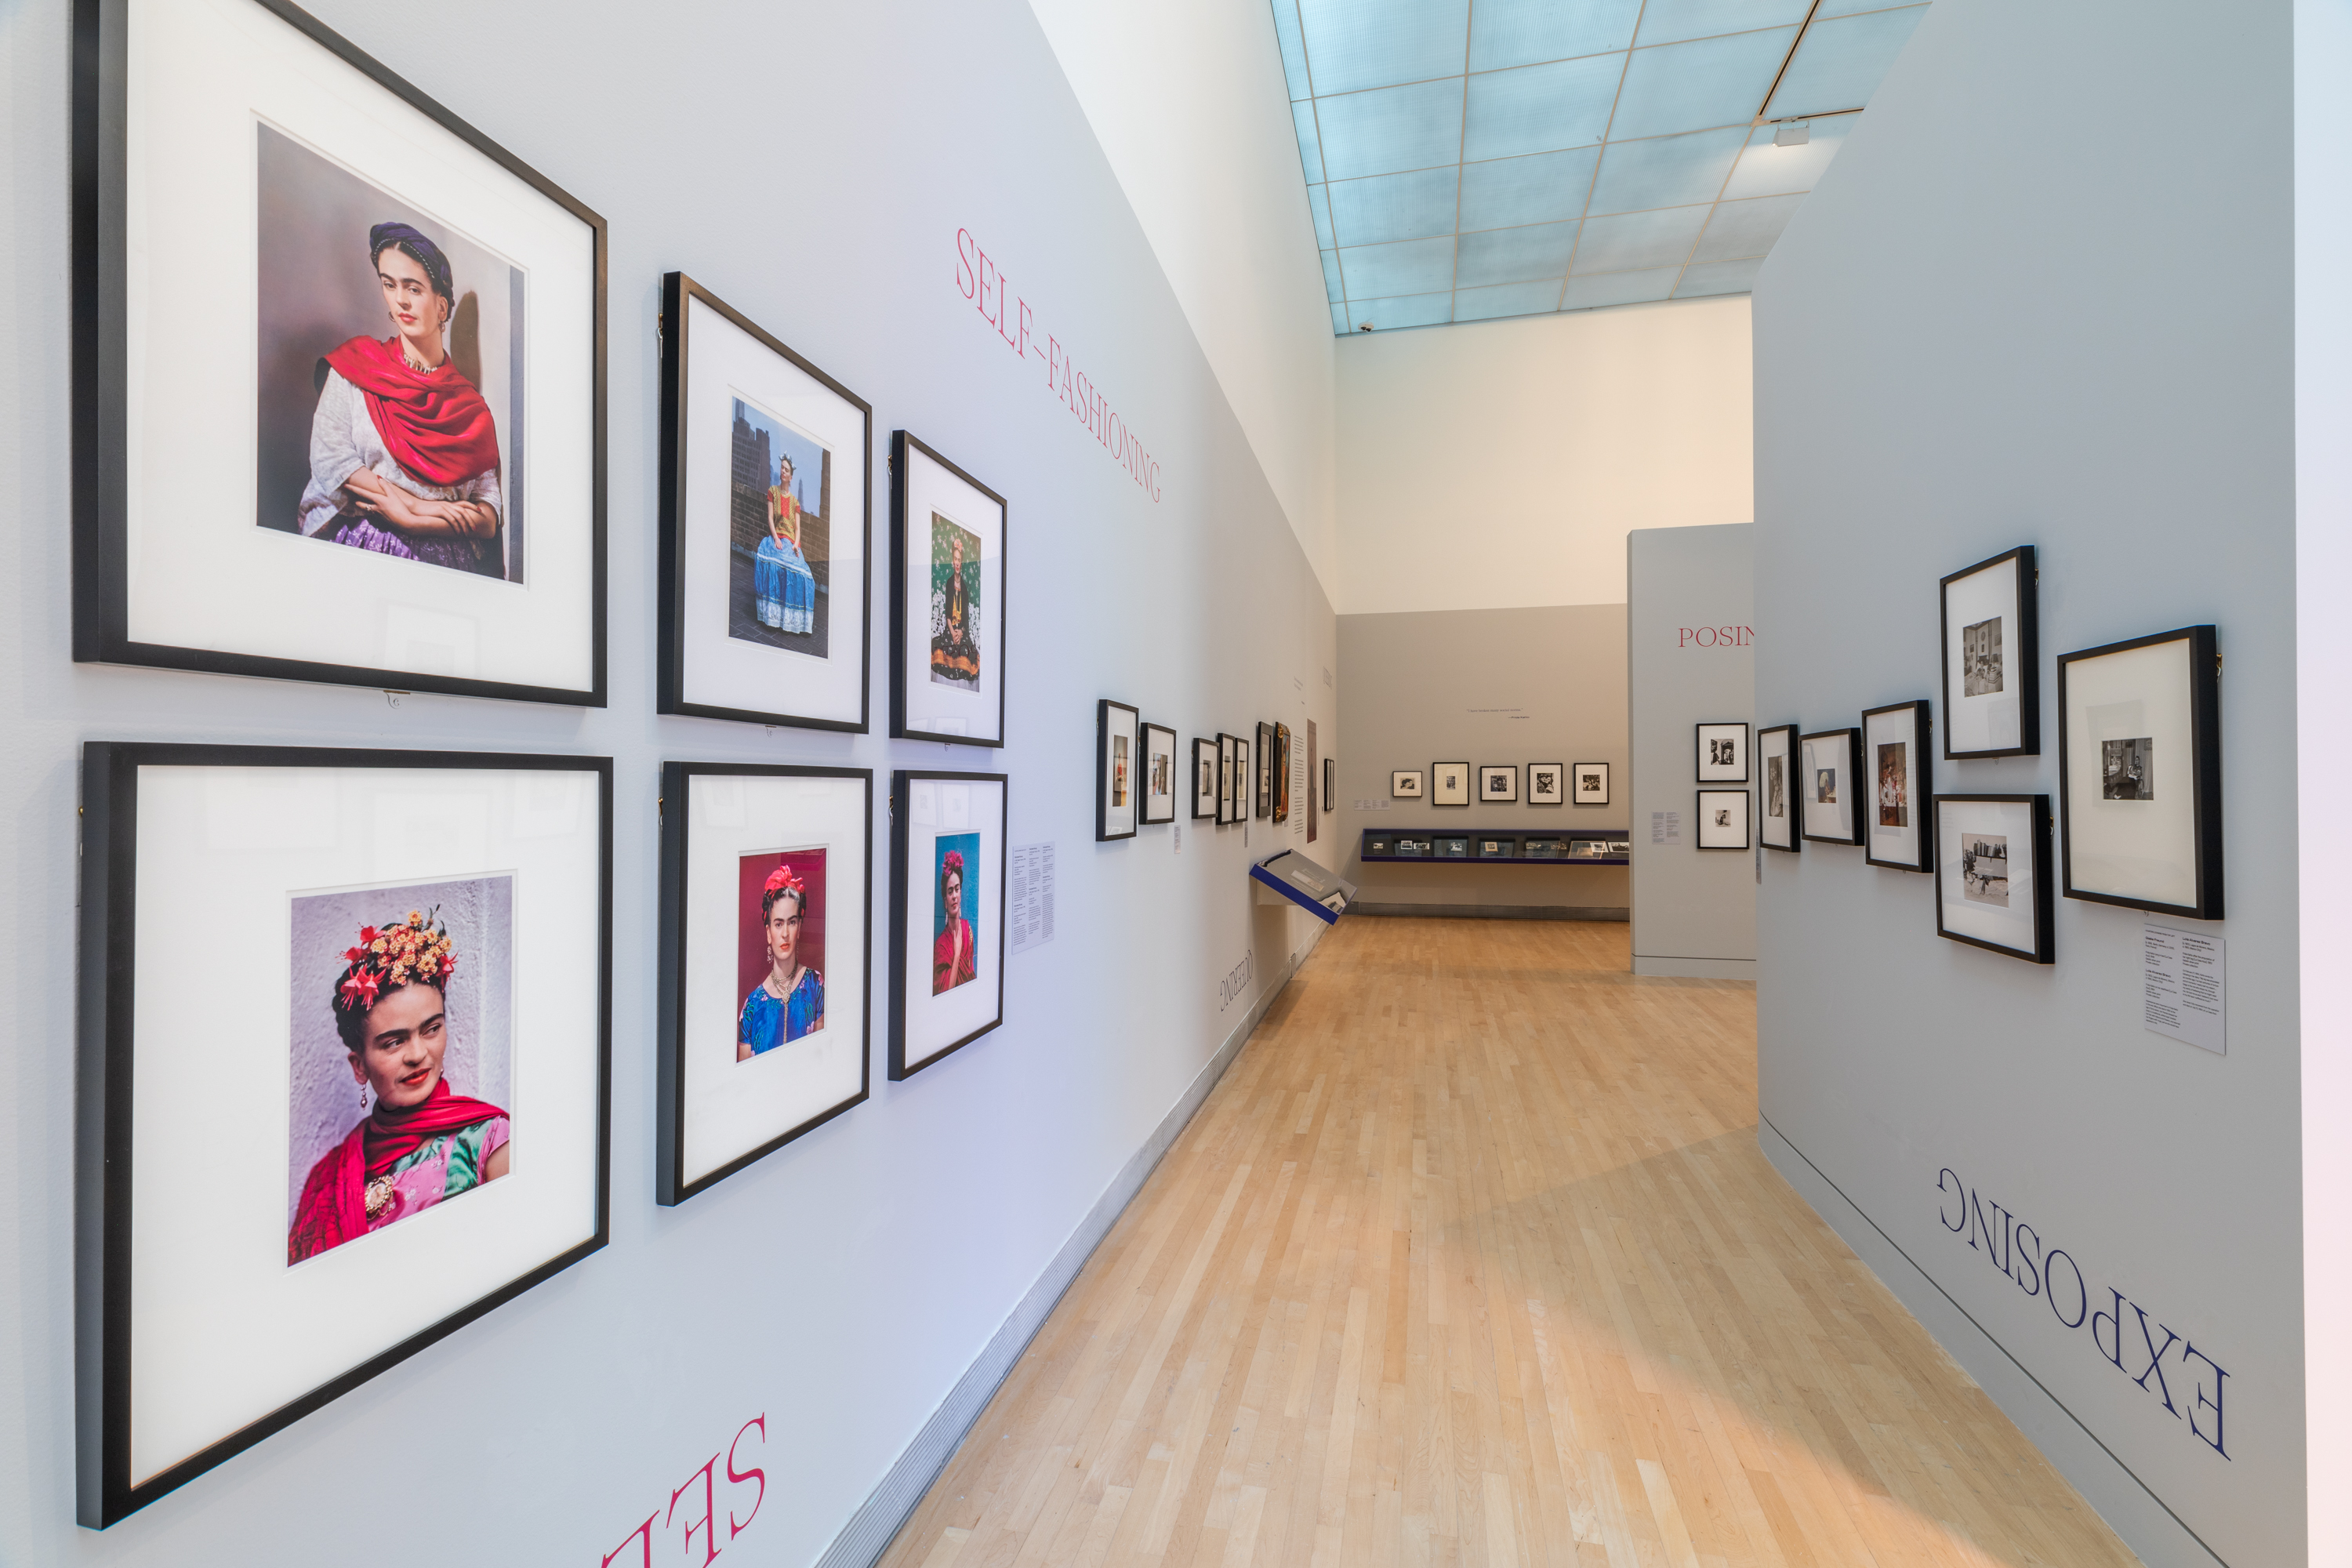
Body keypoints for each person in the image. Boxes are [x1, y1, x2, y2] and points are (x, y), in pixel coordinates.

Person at [289, 910, 509, 1264]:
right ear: (360, 1066)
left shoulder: (489, 1142)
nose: (419, 1054)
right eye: (394, 1042)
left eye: (431, 1029)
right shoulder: (325, 1180)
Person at [297, 222, 504, 576]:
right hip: (360, 551)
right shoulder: (354, 366)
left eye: (413, 288)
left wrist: (417, 522)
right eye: (389, 285)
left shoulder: (471, 410)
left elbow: (488, 516)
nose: (400, 300)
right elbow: (331, 459)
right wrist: (412, 505)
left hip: (444, 569)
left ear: (442, 308)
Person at [738, 863, 824, 1058]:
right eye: (778, 924)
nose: (785, 933)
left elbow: (822, 1059)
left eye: (792, 922)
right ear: (769, 933)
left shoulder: (815, 985)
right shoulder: (751, 1006)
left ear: (799, 928)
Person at [755, 454, 816, 634]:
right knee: (772, 563)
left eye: (786, 470)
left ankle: (792, 618)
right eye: (781, 468)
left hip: (791, 543)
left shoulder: (795, 502)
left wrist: (796, 545)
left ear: (791, 476)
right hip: (776, 538)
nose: (782, 471)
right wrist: (775, 538)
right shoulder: (772, 492)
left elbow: (798, 528)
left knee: (802, 573)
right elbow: (769, 518)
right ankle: (773, 615)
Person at [931, 531, 979, 687]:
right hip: (950, 630)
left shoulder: (964, 588)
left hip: (961, 632)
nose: (957, 563)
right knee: (938, 646)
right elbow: (947, 615)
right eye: (955, 559)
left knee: (967, 652)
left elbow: (966, 619)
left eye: (959, 560)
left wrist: (960, 632)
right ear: (952, 561)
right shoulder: (949, 583)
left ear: (962, 562)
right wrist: (952, 632)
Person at [932, 850, 977, 994]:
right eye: (950, 891)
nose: (954, 896)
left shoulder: (967, 929)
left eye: (957, 889)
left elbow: (971, 975)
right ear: (945, 902)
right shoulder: (940, 946)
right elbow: (945, 994)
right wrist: (957, 954)